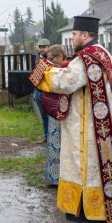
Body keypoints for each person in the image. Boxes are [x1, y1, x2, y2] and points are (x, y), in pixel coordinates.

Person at [35, 15, 112, 223]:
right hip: (103, 125)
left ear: (85, 35)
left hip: (90, 129)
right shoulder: (103, 53)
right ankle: (108, 219)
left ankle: (96, 222)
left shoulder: (87, 58)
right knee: (101, 173)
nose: (72, 38)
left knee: (90, 172)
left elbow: (65, 82)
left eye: (74, 34)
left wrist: (43, 69)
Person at [41, 45, 68, 186]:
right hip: (53, 112)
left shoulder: (67, 71)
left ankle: (63, 177)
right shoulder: (53, 70)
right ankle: (53, 177)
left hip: (64, 113)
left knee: (64, 146)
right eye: (48, 58)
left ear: (60, 57)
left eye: (51, 58)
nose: (49, 61)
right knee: (54, 144)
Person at [32, 38, 51, 144]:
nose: (42, 49)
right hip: (38, 91)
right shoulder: (37, 58)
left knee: (50, 116)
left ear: (49, 47)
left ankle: (53, 138)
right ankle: (46, 136)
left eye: (44, 47)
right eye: (40, 47)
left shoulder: (52, 58)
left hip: (48, 92)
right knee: (43, 115)